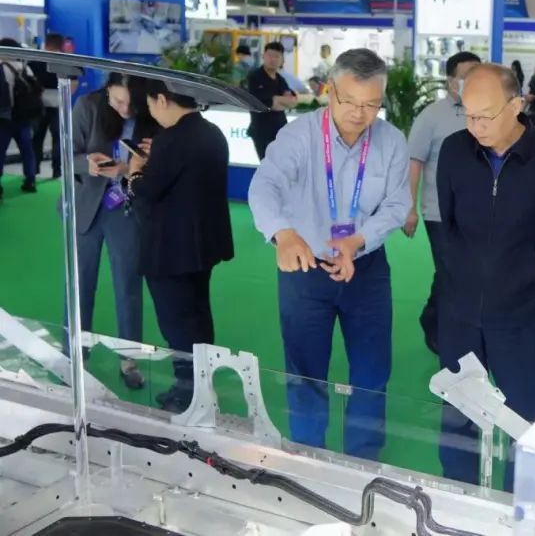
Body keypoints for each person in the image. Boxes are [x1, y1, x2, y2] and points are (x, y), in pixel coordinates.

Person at [248, 49, 410, 461]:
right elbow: (264, 185)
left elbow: (396, 205)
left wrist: (357, 241)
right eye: (349, 100)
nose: (359, 113)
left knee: (372, 374)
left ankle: (362, 461)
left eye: (371, 104)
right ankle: (309, 458)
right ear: (330, 90)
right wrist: (283, 233)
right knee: (304, 372)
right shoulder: (299, 136)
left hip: (365, 269)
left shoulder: (391, 142)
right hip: (305, 267)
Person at [436, 64, 535, 486]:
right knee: (458, 412)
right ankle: (457, 496)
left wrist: (531, 278)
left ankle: (521, 501)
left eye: (485, 116)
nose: (475, 126)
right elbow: (449, 222)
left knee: (525, 415)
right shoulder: (454, 151)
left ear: (516, 105)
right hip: (460, 311)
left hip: (523, 314)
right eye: (468, 115)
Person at [127, 79, 233, 414]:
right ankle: (199, 385)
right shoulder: (212, 133)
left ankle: (189, 393)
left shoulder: (170, 140)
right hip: (203, 245)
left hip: (170, 249)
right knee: (199, 317)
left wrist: (135, 172)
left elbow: (148, 191)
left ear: (162, 99)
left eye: (151, 104)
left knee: (177, 324)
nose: (152, 111)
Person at [74, 73, 159, 390]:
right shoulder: (87, 106)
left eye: (131, 104)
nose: (125, 110)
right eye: (118, 101)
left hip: (126, 207)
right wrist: (88, 163)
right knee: (80, 286)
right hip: (87, 206)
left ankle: (129, 360)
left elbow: (160, 164)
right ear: (108, 89)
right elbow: (66, 155)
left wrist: (131, 168)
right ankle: (76, 354)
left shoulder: (150, 113)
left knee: (128, 287)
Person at [406, 51, 482, 354]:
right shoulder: (431, 116)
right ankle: (439, 327)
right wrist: (409, 208)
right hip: (439, 212)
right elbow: (414, 162)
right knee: (450, 269)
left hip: (479, 212)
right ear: (451, 81)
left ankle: (438, 318)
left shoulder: (487, 111)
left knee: (466, 270)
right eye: (466, 76)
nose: (473, 81)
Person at [0, 38, 40, 197]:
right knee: (27, 150)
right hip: (24, 116)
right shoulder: (25, 68)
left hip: (4, 118)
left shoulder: (1, 67)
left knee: (0, 151)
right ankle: (30, 180)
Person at [246, 41, 298, 160]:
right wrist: (279, 101)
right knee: (268, 165)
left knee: (282, 165)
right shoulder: (255, 77)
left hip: (281, 131)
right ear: (263, 56)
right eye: (270, 55)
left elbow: (293, 101)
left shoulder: (280, 79)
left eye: (277, 56)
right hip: (261, 131)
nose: (273, 59)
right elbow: (267, 103)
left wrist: (278, 100)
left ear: (282, 60)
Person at [27, 33, 66, 180]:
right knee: (58, 138)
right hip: (58, 103)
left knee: (37, 138)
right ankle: (57, 169)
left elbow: (29, 84)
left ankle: (34, 169)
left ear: (46, 43)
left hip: (38, 105)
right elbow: (73, 84)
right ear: (61, 45)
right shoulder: (64, 61)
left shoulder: (35, 61)